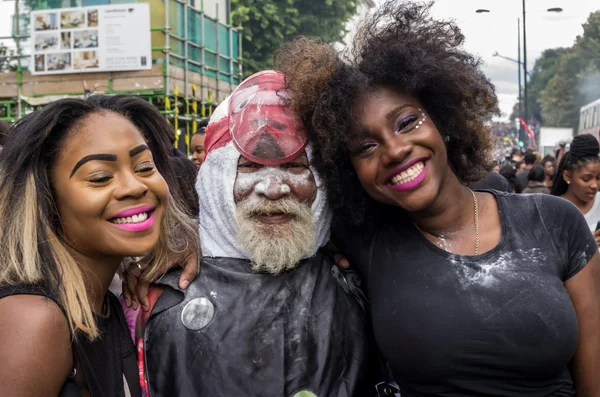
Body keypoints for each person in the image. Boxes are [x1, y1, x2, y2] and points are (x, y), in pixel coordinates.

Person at [275, 2, 600, 395]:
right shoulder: (364, 242)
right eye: (365, 146)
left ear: (442, 121)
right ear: (349, 172)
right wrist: (181, 244)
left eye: (407, 122)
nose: (394, 150)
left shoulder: (555, 222)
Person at [134, 71, 374, 397]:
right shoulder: (155, 291)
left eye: (294, 167)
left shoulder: (363, 273)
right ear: (215, 180)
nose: (273, 189)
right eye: (249, 166)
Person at [0, 95, 199, 397]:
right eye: (100, 177)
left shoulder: (109, 300)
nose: (135, 186)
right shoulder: (34, 319)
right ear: (48, 200)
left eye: (145, 167)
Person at [551, 134, 600, 239]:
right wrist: (585, 246)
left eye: (598, 178)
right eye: (586, 179)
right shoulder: (552, 209)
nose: (594, 185)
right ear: (567, 176)